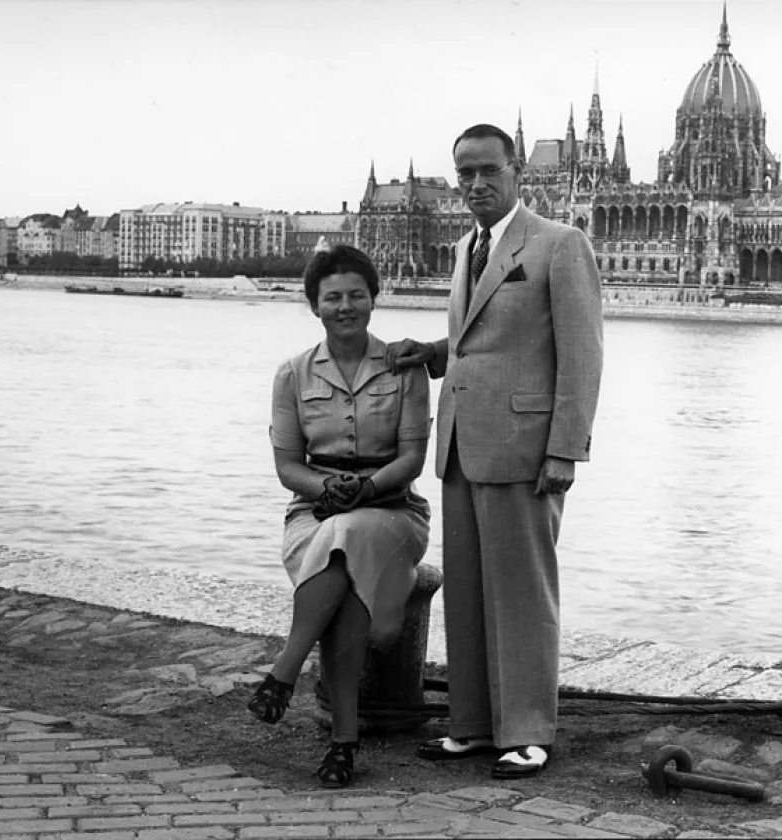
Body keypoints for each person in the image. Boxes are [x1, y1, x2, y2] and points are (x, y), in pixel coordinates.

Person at [387, 123, 603, 779]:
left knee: (523, 596)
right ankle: (474, 726)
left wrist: (565, 450)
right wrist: (434, 354)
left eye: (488, 171)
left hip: (525, 448)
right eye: (465, 174)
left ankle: (529, 729)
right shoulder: (465, 248)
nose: (476, 184)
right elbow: (480, 336)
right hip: (461, 444)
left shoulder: (560, 245)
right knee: (472, 595)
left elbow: (583, 355)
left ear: (517, 174)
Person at [249, 243, 432, 789]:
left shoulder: (405, 369)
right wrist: (332, 488)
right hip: (313, 512)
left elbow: (413, 459)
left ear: (375, 299)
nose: (345, 306)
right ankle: (343, 742)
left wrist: (368, 488)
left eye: (356, 295)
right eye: (333, 298)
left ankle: (285, 673)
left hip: (395, 513)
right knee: (342, 557)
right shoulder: (292, 375)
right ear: (315, 306)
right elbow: (287, 467)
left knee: (346, 536)